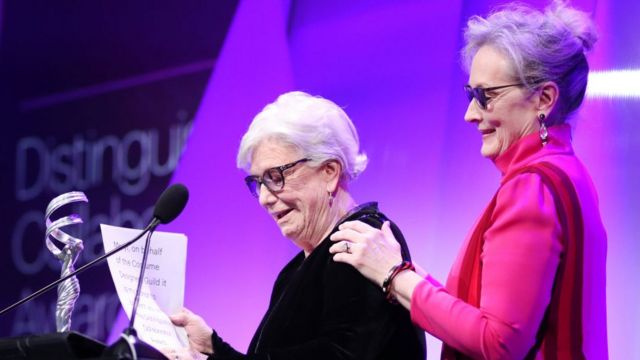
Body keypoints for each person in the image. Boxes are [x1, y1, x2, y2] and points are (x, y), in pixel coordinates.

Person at [329, 2, 607, 359]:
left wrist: (395, 275)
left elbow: (499, 342)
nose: (470, 114)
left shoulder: (532, 186)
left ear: (545, 99)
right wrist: (401, 273)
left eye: (485, 96)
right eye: (469, 95)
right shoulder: (569, 173)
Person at [165, 91, 426, 360]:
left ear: (329, 172)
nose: (265, 198)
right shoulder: (293, 272)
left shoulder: (363, 240)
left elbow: (338, 356)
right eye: (259, 182)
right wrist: (212, 348)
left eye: (276, 176)